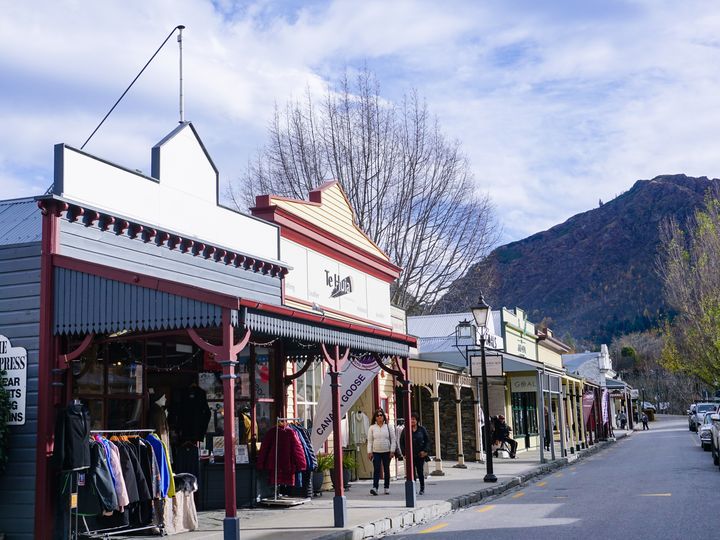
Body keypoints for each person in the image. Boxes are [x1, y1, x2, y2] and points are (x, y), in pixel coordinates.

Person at [367, 408, 396, 496]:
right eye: (377, 415)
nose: (379, 417)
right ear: (375, 418)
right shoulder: (372, 428)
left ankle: (386, 487)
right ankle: (375, 487)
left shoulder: (388, 426)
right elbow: (370, 441)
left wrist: (392, 450)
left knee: (386, 470)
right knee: (376, 469)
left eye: (381, 415)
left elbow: (393, 439)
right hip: (376, 451)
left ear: (383, 417)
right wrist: (369, 452)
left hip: (387, 451)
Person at [400, 413, 430, 495]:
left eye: (414, 419)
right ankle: (413, 489)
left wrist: (425, 451)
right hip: (410, 455)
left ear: (417, 420)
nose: (412, 421)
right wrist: (404, 453)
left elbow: (427, 441)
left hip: (420, 454)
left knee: (420, 471)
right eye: (411, 419)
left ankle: (422, 488)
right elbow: (401, 442)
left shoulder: (422, 429)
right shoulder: (405, 430)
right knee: (411, 473)